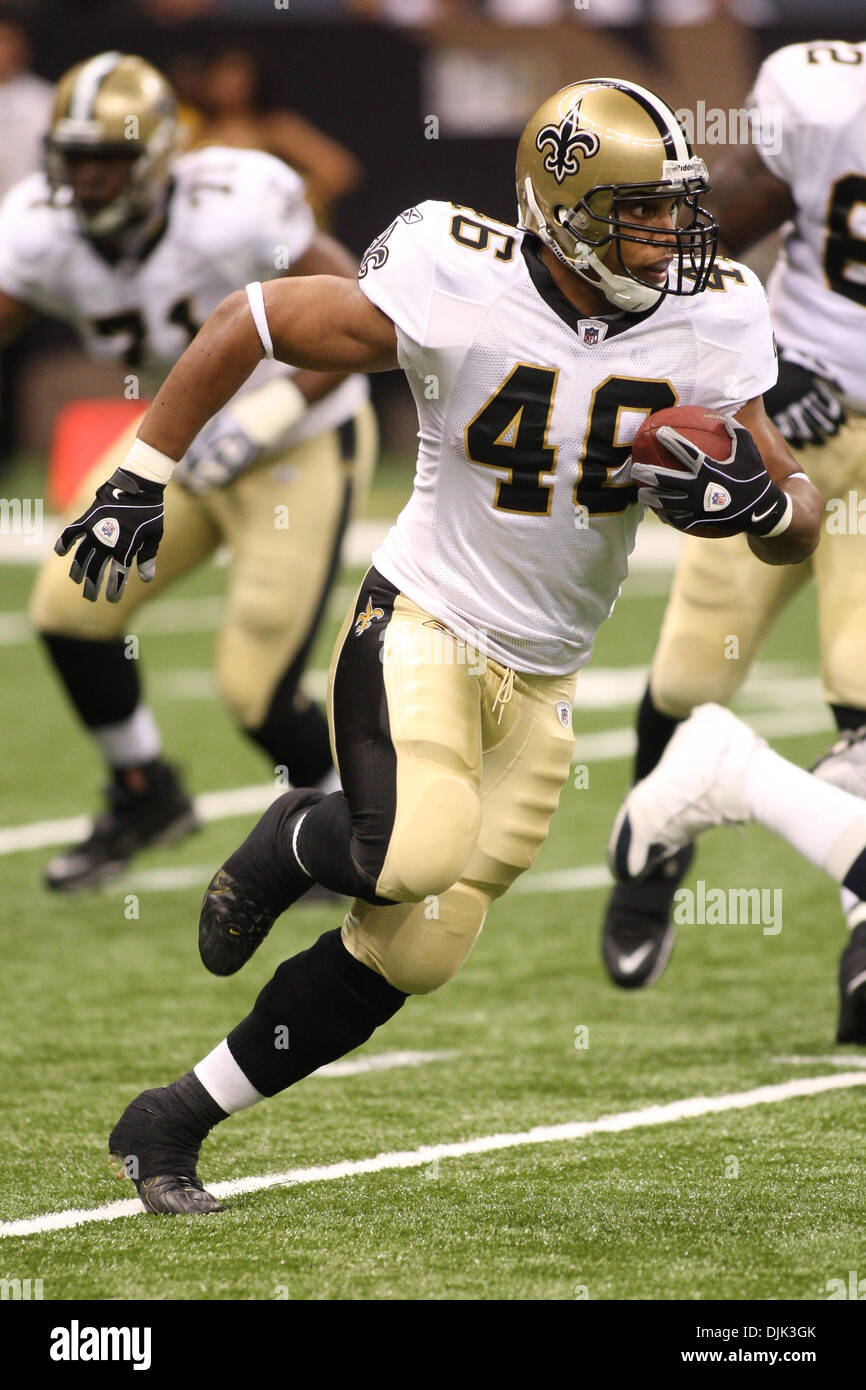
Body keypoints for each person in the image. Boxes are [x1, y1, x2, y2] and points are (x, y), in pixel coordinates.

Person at [60, 77, 830, 1213]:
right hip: (422, 615)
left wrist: (765, 509)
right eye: (640, 210)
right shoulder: (451, 269)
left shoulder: (712, 313)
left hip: (545, 670)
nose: (671, 232)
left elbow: (793, 506)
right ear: (561, 212)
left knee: (413, 953)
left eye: (674, 206)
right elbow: (254, 321)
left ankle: (171, 1119)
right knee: (411, 848)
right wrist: (142, 469)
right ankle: (291, 836)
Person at [0, 52, 376, 890]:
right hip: (179, 443)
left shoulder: (236, 206)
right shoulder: (34, 228)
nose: (90, 181)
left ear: (161, 155)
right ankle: (144, 791)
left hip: (297, 436)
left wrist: (267, 414)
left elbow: (360, 310)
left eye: (110, 160)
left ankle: (346, 826)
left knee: (253, 690)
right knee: (67, 607)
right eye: (76, 159)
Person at [599, 39, 866, 1045]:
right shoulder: (818, 91)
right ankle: (649, 852)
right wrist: (757, 366)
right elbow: (694, 243)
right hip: (794, 421)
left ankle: (859, 942)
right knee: (688, 671)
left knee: (860, 692)